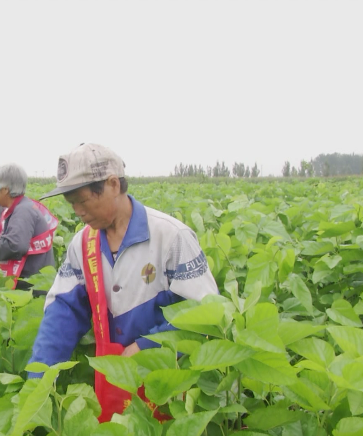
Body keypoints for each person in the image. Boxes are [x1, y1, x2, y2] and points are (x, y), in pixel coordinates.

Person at [27, 143, 219, 422]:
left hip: (167, 378)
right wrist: (38, 379)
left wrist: (148, 346)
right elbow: (63, 311)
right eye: (71, 204)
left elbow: (205, 314)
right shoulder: (83, 243)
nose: (77, 211)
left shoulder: (170, 236)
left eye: (82, 201)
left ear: (113, 185)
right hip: (112, 381)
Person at [0, 163, 58, 291]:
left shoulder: (23, 211)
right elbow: (1, 221)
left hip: (32, 286)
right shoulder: (20, 205)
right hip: (31, 278)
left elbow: (14, 246)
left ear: (5, 190)